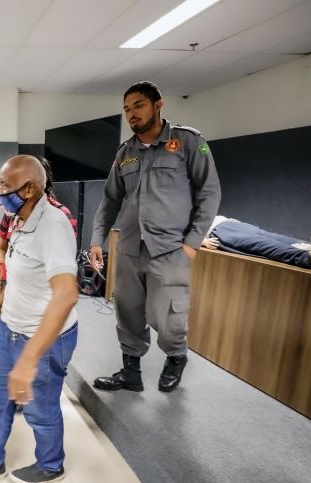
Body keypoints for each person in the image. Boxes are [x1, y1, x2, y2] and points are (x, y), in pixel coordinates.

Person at [0, 155, 80, 483]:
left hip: (44, 337)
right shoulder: (18, 219)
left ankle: (51, 465)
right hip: (10, 328)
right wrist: (5, 293)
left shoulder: (53, 224)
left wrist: (28, 360)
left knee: (40, 408)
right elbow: (21, 266)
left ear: (29, 189)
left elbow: (67, 294)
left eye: (4, 186)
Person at [90, 81, 221, 394]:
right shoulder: (126, 152)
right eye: (126, 110)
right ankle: (130, 373)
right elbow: (110, 200)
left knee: (169, 314)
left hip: (171, 249)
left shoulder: (189, 142)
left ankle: (176, 358)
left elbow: (210, 192)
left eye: (138, 106)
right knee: (128, 311)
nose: (131, 114)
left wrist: (192, 243)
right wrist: (97, 239)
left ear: (157, 105)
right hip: (132, 247)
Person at [0, 155, 76, 322]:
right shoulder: (13, 213)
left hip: (39, 314)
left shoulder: (56, 220)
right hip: (14, 310)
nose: (0, 192)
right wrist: (5, 285)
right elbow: (1, 248)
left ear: (32, 186)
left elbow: (63, 286)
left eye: (5, 185)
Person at [202, 216, 311, 271]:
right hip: (218, 231)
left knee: (278, 239)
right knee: (264, 245)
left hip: (231, 223)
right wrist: (201, 241)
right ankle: (310, 258)